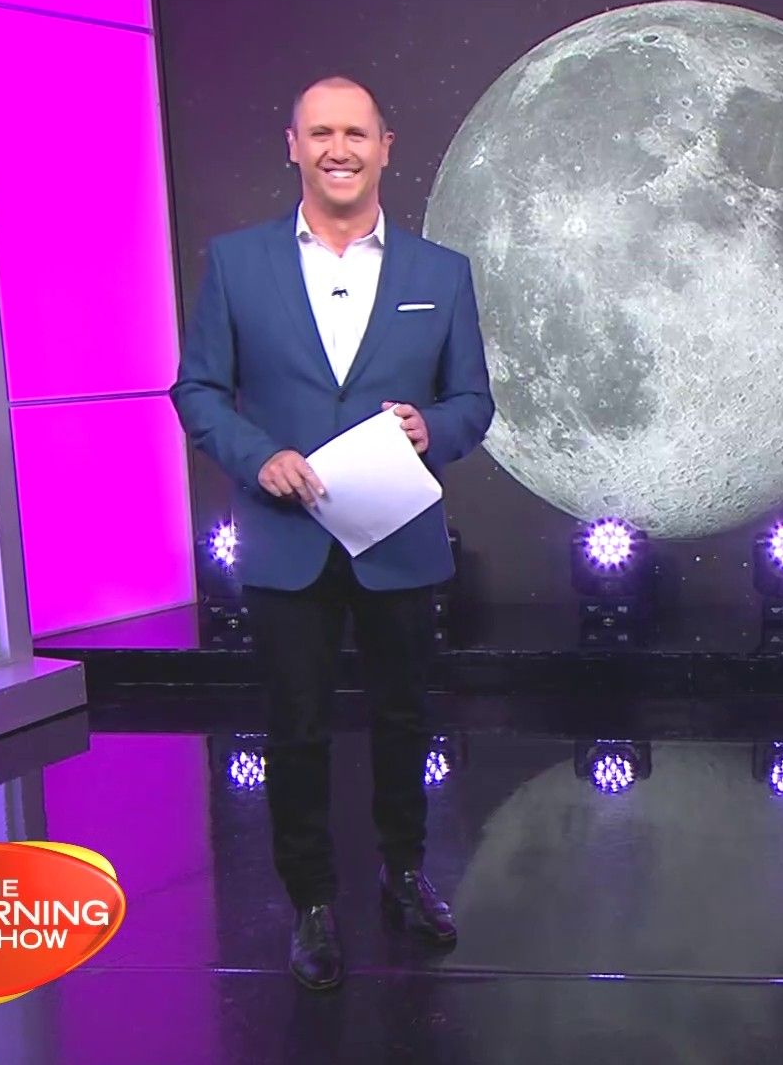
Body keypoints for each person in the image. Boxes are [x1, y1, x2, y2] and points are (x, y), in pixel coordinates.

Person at [169, 74, 494, 991]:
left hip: (397, 536)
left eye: (356, 133)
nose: (338, 149)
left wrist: (435, 427)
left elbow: (474, 401)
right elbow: (197, 389)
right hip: (287, 538)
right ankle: (311, 902)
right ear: (294, 146)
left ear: (386, 147)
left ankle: (404, 874)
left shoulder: (441, 272)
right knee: (296, 727)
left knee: (404, 719)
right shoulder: (239, 263)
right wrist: (257, 455)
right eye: (321, 133)